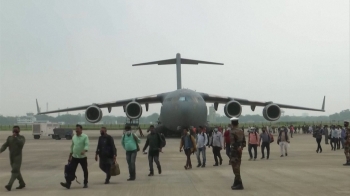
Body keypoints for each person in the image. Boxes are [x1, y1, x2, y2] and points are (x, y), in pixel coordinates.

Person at [61, 124, 89, 189]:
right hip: (75, 157)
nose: (76, 130)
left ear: (81, 129)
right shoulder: (74, 137)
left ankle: (85, 182)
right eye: (76, 129)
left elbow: (87, 145)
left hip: (82, 157)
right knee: (71, 170)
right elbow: (72, 146)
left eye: (78, 129)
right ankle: (68, 183)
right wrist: (70, 156)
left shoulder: (85, 137)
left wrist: (84, 150)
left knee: (85, 170)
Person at [0, 126, 26, 191]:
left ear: (19, 131)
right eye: (14, 130)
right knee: (16, 171)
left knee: (14, 171)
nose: (15, 131)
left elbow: (21, 144)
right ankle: (22, 183)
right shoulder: (9, 138)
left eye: (16, 130)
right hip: (11, 157)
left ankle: (9, 185)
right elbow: (5, 145)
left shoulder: (21, 138)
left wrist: (15, 138)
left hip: (18, 157)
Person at [229, 117, 246, 190]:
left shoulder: (232, 132)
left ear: (232, 124)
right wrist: (240, 147)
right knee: (238, 165)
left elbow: (232, 142)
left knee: (235, 167)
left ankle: (239, 183)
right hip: (239, 151)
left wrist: (237, 148)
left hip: (234, 151)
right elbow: (244, 142)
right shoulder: (241, 131)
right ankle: (236, 182)